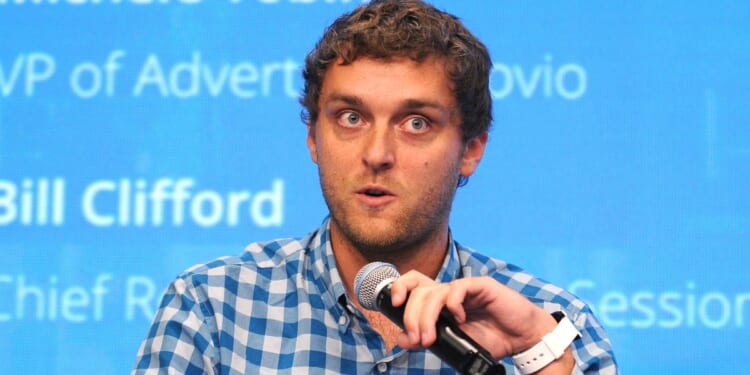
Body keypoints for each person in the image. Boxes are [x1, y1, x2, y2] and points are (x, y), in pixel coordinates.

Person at [133, 0, 618, 374]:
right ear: (313, 139)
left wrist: (542, 356)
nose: (377, 153)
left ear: (471, 149)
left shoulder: (550, 327)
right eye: (350, 117)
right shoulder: (213, 309)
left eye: (415, 123)